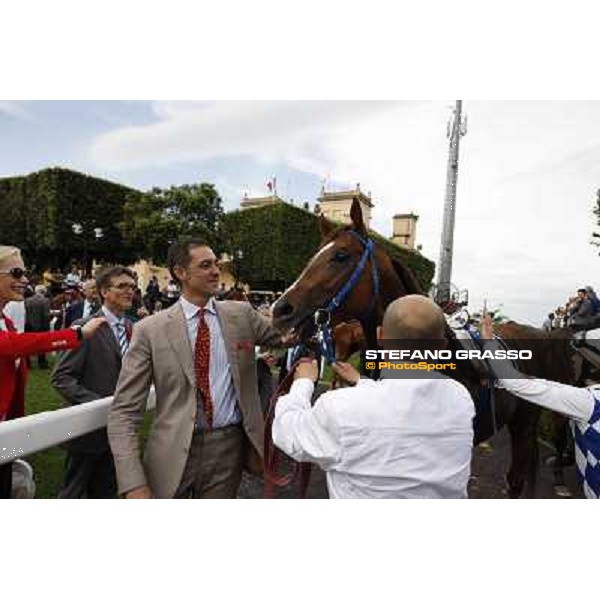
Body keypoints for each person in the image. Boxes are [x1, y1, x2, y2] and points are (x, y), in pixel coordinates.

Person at [107, 237, 288, 499]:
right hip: (170, 451)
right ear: (180, 273)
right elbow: (124, 412)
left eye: (215, 264)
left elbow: (287, 335)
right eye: (205, 265)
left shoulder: (242, 314)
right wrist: (132, 482)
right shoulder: (149, 330)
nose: (216, 271)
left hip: (229, 449)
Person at [271, 295, 475, 499]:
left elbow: (287, 433)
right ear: (442, 346)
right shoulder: (460, 397)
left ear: (380, 335)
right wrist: (362, 381)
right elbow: (402, 404)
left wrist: (303, 383)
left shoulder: (341, 406)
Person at [0, 245, 105, 499]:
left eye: (25, 273)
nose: (24, 279)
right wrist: (76, 334)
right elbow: (10, 346)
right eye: (16, 272)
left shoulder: (8, 321)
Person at [479, 313, 600, 499]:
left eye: (577, 356)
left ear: (592, 367)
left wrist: (488, 343)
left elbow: (516, 383)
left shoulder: (586, 402)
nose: (572, 360)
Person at [51, 266, 137, 499]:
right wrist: (98, 405)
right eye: (122, 286)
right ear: (104, 292)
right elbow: (60, 378)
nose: (130, 291)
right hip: (87, 432)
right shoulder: (85, 326)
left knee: (107, 492)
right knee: (73, 493)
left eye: (132, 287)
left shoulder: (132, 329)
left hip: (120, 432)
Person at [24, 284, 52, 368]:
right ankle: (42, 363)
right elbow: (46, 315)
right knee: (42, 346)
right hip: (41, 326)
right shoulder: (45, 300)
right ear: (43, 291)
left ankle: (27, 363)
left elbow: (25, 313)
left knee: (28, 345)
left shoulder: (27, 300)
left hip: (28, 325)